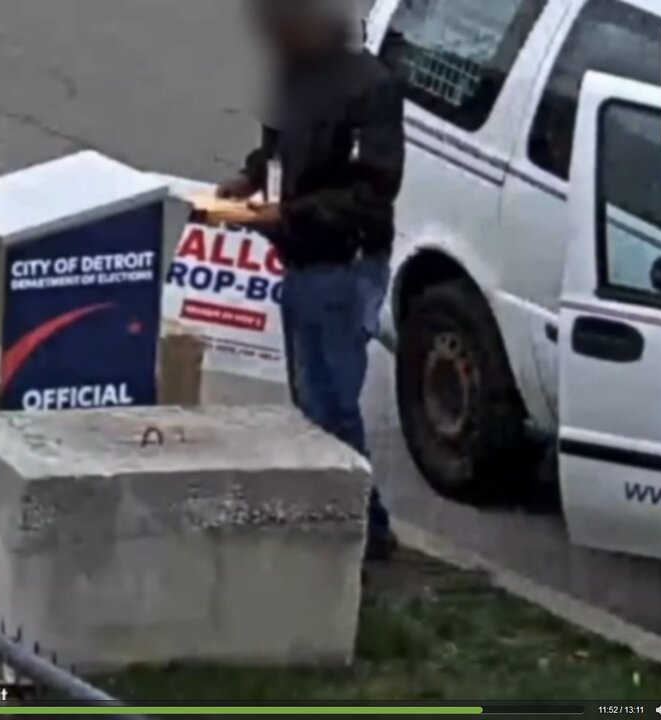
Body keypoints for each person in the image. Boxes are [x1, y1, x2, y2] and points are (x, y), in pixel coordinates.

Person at [219, 0, 406, 560]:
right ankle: (346, 520)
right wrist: (250, 178)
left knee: (332, 405)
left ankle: (362, 529)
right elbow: (275, 149)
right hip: (299, 259)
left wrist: (292, 215)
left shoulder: (369, 89)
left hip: (342, 268)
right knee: (311, 402)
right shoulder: (292, 77)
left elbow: (373, 193)